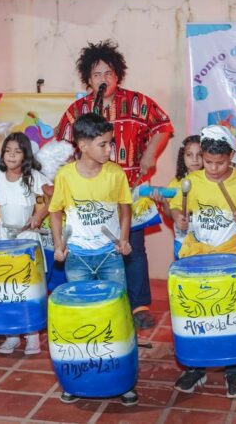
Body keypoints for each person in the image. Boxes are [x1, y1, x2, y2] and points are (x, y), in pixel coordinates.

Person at [56, 40, 173, 329]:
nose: (103, 79)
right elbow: (60, 146)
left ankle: (138, 305)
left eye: (108, 73)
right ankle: (96, 305)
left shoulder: (137, 102)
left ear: (117, 75)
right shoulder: (77, 110)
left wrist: (150, 155)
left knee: (133, 248)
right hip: (90, 196)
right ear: (88, 79)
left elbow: (163, 126)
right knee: (92, 253)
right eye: (96, 74)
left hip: (129, 187)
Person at [169, 125, 236, 399]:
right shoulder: (193, 181)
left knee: (231, 313)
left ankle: (234, 370)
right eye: (208, 162)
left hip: (230, 255)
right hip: (198, 255)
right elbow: (176, 205)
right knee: (197, 311)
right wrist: (178, 217)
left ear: (231, 157)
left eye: (220, 163)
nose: (213, 168)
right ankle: (196, 367)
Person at [48, 113, 137, 406]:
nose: (110, 149)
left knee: (118, 313)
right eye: (103, 144)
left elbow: (125, 208)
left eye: (111, 143)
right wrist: (59, 244)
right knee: (81, 317)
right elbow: (55, 212)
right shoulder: (66, 176)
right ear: (83, 145)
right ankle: (79, 377)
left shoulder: (115, 174)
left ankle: (124, 379)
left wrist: (124, 239)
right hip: (77, 257)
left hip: (110, 256)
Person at [0, 132, 51, 356]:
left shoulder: (33, 177)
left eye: (17, 151)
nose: (11, 155)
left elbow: (54, 195)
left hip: (27, 238)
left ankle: (32, 336)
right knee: (7, 287)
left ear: (25, 155)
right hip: (5, 238)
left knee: (29, 288)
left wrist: (39, 214)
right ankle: (11, 335)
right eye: (7, 151)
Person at [151, 135, 202, 260]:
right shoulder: (175, 183)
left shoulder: (210, 183)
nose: (195, 159)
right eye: (189, 155)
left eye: (199, 154)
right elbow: (169, 214)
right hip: (183, 243)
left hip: (205, 244)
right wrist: (165, 204)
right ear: (182, 157)